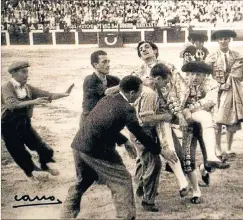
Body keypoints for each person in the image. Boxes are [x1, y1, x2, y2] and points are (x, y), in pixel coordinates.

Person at [60, 75, 162, 220]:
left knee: (85, 179)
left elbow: (102, 124)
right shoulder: (127, 109)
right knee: (122, 179)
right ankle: (125, 217)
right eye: (139, 93)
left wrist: (125, 141)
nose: (139, 96)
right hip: (95, 150)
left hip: (79, 145)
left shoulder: (107, 99)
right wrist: (159, 150)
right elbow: (139, 133)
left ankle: (66, 214)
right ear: (132, 93)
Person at [1, 61, 73, 180]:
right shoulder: (6, 87)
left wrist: (63, 94)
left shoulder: (28, 88)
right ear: (13, 73)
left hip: (24, 123)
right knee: (18, 151)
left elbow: (47, 95)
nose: (27, 75)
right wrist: (33, 101)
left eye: (27, 71)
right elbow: (12, 105)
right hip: (8, 125)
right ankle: (30, 174)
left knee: (43, 147)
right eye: (23, 72)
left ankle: (44, 166)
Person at [133, 64, 190, 211]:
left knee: (145, 161)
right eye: (165, 81)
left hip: (150, 129)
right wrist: (165, 116)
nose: (167, 84)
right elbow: (144, 119)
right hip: (143, 131)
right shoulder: (149, 93)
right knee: (153, 163)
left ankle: (141, 189)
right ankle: (148, 200)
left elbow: (171, 101)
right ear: (158, 78)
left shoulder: (156, 88)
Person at [205, 30, 243, 160]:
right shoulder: (211, 57)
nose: (223, 41)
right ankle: (218, 148)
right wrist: (219, 85)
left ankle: (229, 148)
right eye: (220, 39)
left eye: (225, 39)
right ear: (217, 41)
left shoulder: (236, 55)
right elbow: (207, 76)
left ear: (229, 40)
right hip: (217, 91)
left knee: (232, 119)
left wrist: (239, 71)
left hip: (232, 90)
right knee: (217, 120)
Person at [80, 50, 120, 127]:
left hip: (107, 120)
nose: (108, 65)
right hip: (90, 122)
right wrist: (126, 83)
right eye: (104, 62)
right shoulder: (89, 80)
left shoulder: (114, 79)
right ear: (95, 65)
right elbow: (107, 92)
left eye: (108, 61)